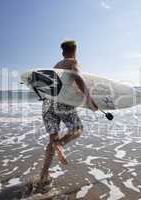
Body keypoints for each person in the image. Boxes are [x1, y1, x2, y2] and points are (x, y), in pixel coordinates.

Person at [39, 40, 98, 184]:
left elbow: (46, 85)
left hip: (47, 104)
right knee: (78, 129)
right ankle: (61, 144)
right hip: (62, 103)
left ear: (62, 52)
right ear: (75, 50)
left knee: (52, 141)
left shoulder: (56, 66)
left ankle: (43, 174)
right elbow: (77, 77)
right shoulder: (73, 61)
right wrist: (88, 98)